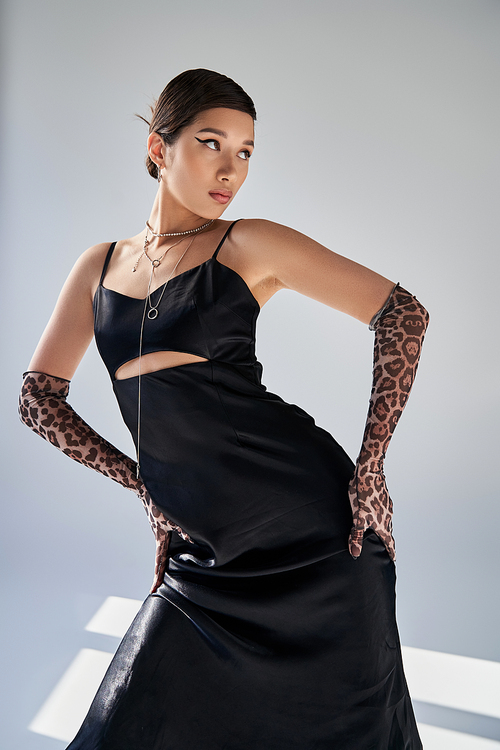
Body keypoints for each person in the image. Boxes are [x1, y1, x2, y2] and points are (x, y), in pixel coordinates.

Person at [19, 68, 428, 749]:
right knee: (123, 727)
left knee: (349, 732)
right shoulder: (98, 266)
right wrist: (142, 481)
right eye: (212, 143)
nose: (231, 169)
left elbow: (401, 314)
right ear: (159, 149)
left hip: (317, 536)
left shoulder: (247, 243)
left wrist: (371, 468)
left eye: (245, 152)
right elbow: (38, 400)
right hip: (200, 552)